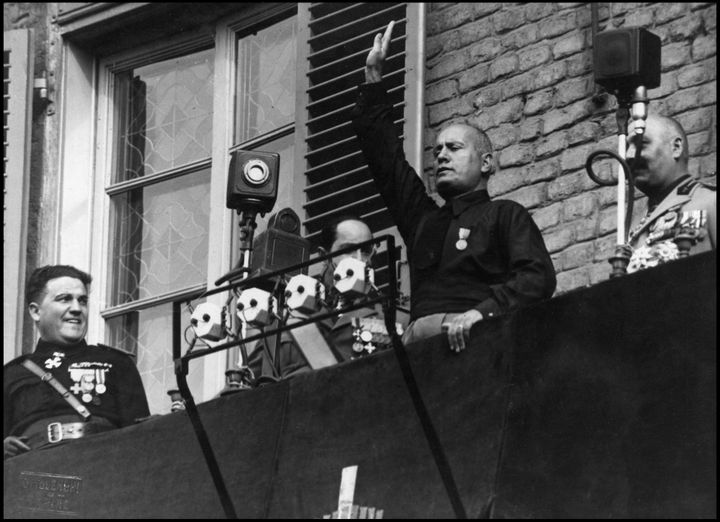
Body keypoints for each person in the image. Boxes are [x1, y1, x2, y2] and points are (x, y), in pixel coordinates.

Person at [352, 21, 557, 353]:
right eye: (437, 151)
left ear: (486, 162)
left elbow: (537, 278)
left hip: (476, 345)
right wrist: (373, 81)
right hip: (418, 352)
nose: (441, 156)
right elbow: (386, 161)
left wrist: (481, 313)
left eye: (454, 148)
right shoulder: (424, 220)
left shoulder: (504, 215)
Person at [4, 265, 150, 459]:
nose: (76, 309)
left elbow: (142, 439)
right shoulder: (12, 373)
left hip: (104, 468)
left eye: (82, 301)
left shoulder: (115, 362)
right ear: (35, 312)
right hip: (34, 476)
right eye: (64, 299)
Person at [246, 216, 398, 381]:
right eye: (348, 250)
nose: (360, 260)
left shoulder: (390, 317)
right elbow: (247, 384)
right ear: (325, 256)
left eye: (366, 251)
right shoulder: (285, 319)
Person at [625, 114, 716, 272]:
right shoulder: (633, 226)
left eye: (642, 144)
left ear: (676, 148)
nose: (629, 155)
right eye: (627, 148)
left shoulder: (710, 202)